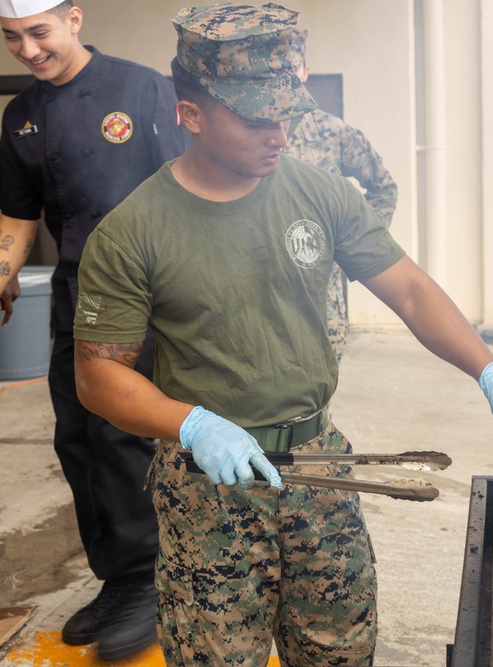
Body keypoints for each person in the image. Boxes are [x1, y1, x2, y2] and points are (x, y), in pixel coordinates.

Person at [71, 4, 493, 666]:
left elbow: (413, 291)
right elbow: (98, 374)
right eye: (256, 119)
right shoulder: (134, 231)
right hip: (208, 487)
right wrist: (192, 423)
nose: (279, 133)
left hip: (320, 468)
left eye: (286, 112)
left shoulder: (322, 194)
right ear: (190, 114)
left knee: (340, 652)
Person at [0, 0, 188, 660]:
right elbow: (20, 217)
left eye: (38, 32)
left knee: (123, 439)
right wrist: (2, 268)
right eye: (12, 36)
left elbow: (190, 190)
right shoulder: (21, 116)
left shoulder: (143, 89)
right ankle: (118, 576)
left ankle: (152, 579)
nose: (26, 47)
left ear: (74, 20)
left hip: (145, 300)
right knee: (77, 441)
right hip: (76, 302)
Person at [284, 27, 398, 362]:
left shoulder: (332, 132)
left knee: (320, 385)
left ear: (305, 71)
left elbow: (383, 187)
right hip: (261, 286)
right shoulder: (248, 132)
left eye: (293, 70)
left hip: (322, 293)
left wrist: (353, 249)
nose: (287, 81)